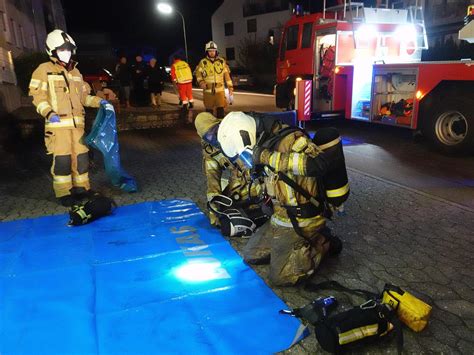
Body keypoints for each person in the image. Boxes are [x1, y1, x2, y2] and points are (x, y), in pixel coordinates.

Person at [216, 111, 344, 286]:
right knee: (251, 254)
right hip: (280, 217)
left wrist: (264, 156)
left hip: (302, 218)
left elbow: (318, 164)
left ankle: (322, 242)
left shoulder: (293, 139)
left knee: (281, 277)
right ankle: (296, 247)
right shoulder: (261, 142)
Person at [28, 29, 109, 207]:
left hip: (77, 127)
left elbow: (83, 97)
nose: (67, 53)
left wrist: (100, 102)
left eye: (69, 49)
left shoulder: (76, 73)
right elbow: (37, 97)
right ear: (52, 51)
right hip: (57, 128)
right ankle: (64, 193)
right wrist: (49, 113)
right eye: (62, 49)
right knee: (62, 162)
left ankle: (82, 189)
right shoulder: (43, 70)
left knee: (81, 159)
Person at [194, 112, 270, 235]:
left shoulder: (233, 130)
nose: (212, 136)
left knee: (264, 199)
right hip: (240, 180)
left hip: (258, 174)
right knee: (227, 205)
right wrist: (214, 206)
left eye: (213, 131)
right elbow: (212, 178)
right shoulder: (209, 149)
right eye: (207, 136)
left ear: (218, 125)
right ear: (202, 137)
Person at [195, 41, 233, 118]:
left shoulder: (222, 61)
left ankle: (219, 128)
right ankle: (210, 128)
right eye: (210, 51)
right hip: (208, 91)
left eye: (213, 50)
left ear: (216, 51)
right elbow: (198, 74)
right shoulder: (202, 62)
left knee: (220, 112)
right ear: (207, 52)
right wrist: (201, 82)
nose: (212, 52)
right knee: (208, 113)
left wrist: (230, 87)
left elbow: (226, 75)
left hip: (220, 91)